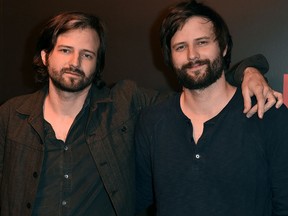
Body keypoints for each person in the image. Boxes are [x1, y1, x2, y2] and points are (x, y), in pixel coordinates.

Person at [0, 11, 282, 216]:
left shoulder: (125, 103)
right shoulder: (10, 116)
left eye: (87, 54)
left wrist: (248, 70)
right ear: (46, 56)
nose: (75, 62)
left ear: (98, 63)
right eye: (65, 50)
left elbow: (202, 89)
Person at [135, 1, 288, 215]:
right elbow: (140, 205)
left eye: (202, 42)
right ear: (170, 57)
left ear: (224, 47)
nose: (192, 55)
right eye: (180, 47)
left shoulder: (269, 114)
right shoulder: (150, 122)